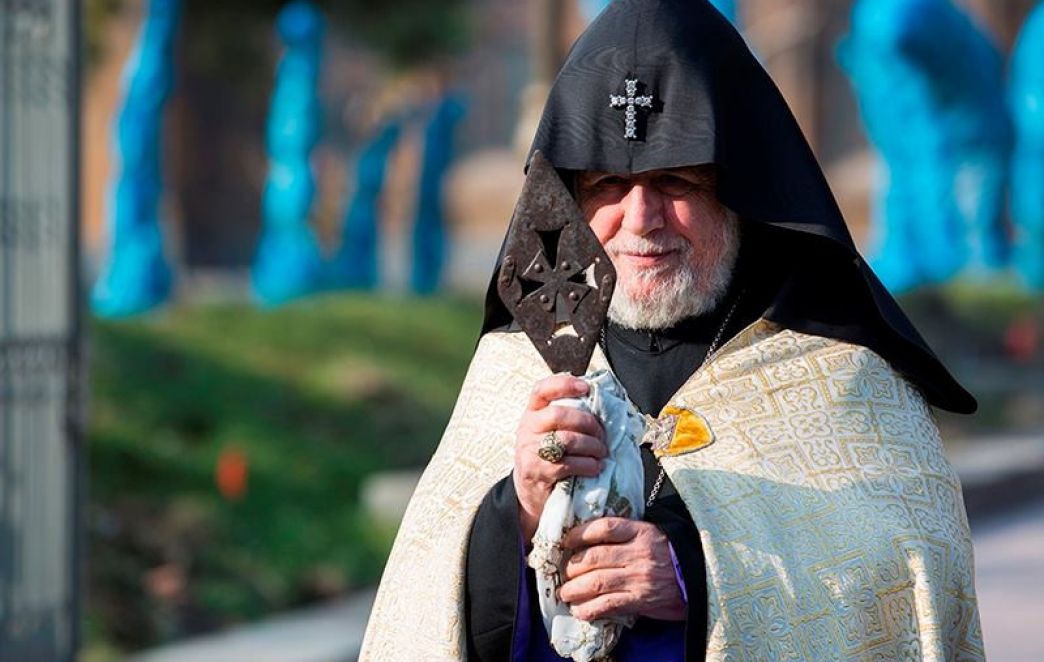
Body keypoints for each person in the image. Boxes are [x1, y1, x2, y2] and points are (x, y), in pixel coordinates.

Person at [360, 1, 984, 660]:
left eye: (675, 180)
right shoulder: (519, 364)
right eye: (608, 185)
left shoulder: (839, 371)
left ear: (741, 190)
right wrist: (516, 512)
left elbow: (911, 578)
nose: (641, 220)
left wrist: (698, 575)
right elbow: (424, 611)